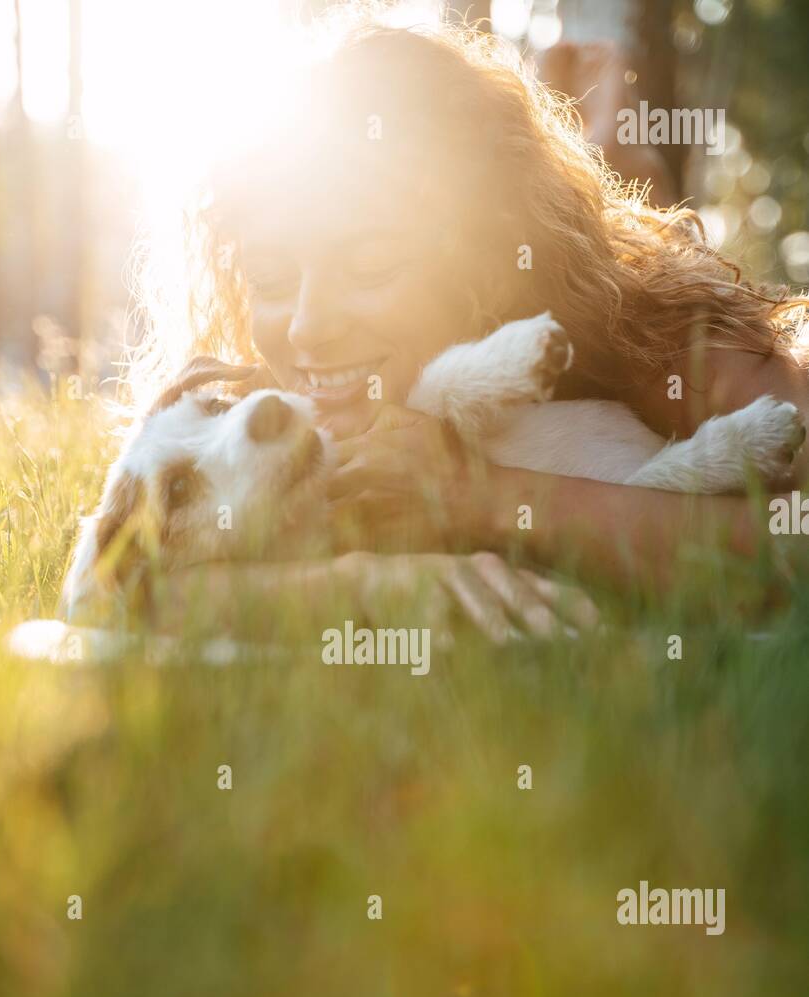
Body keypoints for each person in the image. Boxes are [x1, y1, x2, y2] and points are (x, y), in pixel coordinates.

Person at [130, 7, 809, 641]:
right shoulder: (260, 407)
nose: (307, 330)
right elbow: (130, 588)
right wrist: (361, 584)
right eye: (272, 279)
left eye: (369, 267)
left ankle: (606, 74)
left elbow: (791, 553)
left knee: (628, 171)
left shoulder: (652, 329)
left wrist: (478, 495)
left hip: (595, 281)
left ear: (487, 270)